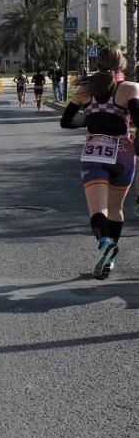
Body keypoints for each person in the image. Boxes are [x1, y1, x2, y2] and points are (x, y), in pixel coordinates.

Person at [60, 47, 139, 279]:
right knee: (116, 209)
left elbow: (66, 121)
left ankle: (104, 244)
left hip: (94, 151)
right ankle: (109, 259)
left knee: (98, 210)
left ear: (98, 62)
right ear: (121, 66)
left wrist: (91, 117)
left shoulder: (85, 89)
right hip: (124, 152)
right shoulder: (130, 88)